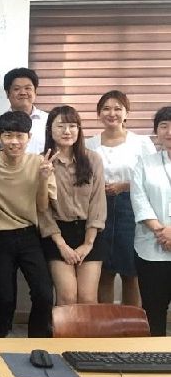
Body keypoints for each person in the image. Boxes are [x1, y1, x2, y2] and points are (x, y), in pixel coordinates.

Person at [0, 111, 56, 337]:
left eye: (20, 136)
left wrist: (43, 178)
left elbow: (42, 207)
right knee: (3, 298)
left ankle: (37, 343)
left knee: (44, 293)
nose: (14, 142)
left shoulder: (39, 163)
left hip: (30, 234)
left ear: (29, 137)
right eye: (8, 135)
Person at [86, 90, 156, 306]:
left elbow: (151, 179)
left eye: (118, 108)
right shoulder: (89, 144)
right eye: (106, 108)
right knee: (104, 271)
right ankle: (106, 323)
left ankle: (132, 323)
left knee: (130, 272)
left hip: (131, 209)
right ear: (99, 113)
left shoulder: (141, 142)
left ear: (127, 113)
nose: (112, 113)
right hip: (99, 209)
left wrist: (124, 186)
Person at [39, 106, 106, 306]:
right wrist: (61, 245)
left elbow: (98, 202)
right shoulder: (41, 161)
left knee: (87, 298)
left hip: (89, 231)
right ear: (50, 129)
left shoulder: (92, 159)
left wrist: (88, 243)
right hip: (57, 232)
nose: (67, 131)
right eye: (61, 126)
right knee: (67, 297)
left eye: (72, 126)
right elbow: (42, 209)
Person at [130, 106, 171, 336]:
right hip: (152, 248)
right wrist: (162, 232)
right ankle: (156, 354)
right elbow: (139, 200)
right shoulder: (145, 163)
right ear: (156, 131)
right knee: (154, 310)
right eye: (164, 126)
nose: (169, 132)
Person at [2, 68, 48, 154]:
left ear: (35, 92)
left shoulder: (48, 121)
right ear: (7, 93)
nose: (23, 93)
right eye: (16, 89)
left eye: (28, 88)